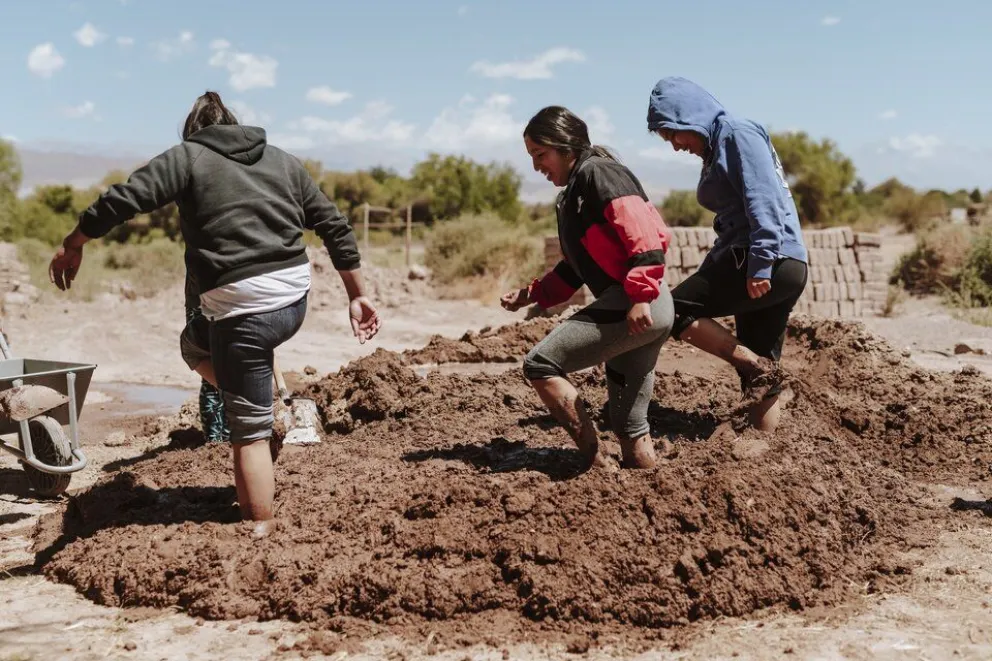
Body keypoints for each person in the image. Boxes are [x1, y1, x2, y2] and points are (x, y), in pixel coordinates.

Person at [49, 91, 381, 528]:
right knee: (194, 346)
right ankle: (256, 401)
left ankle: (258, 528)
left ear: (194, 132)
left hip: (242, 308)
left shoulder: (188, 157)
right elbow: (334, 224)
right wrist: (357, 294)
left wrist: (74, 242)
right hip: (292, 300)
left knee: (248, 433)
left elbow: (123, 199)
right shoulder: (282, 160)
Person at [501, 106, 675, 471]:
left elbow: (643, 232)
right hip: (646, 310)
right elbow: (574, 268)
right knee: (629, 425)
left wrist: (640, 295)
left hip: (637, 305)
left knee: (540, 363)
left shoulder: (599, 172)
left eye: (540, 155)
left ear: (565, 146)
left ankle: (596, 462)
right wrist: (531, 294)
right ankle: (645, 488)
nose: (537, 167)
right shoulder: (577, 190)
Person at [645, 76, 809, 431]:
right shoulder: (718, 144)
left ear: (689, 116)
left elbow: (763, 200)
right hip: (778, 261)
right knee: (760, 365)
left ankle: (755, 367)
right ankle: (764, 448)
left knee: (671, 310)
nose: (675, 145)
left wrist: (761, 263)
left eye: (674, 134)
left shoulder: (736, 133)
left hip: (767, 259)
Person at [184, 269, 229, 444]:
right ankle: (217, 444)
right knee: (213, 370)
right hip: (205, 296)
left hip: (233, 295)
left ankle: (224, 441)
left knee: (223, 370)